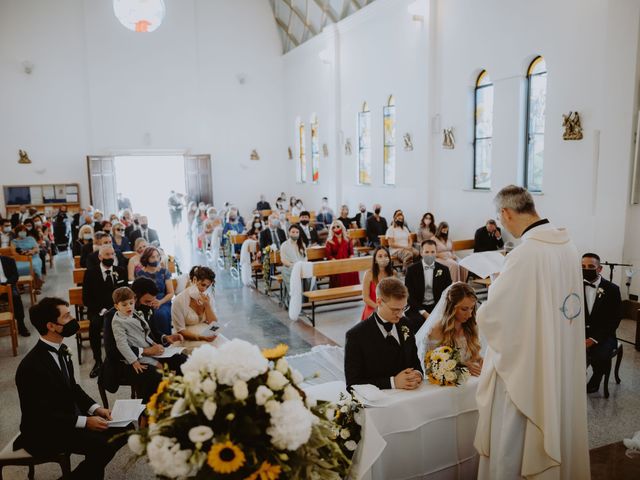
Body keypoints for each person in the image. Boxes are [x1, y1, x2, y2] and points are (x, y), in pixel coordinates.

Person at [474, 185, 589, 479]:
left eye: (500, 220)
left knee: (516, 434)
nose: (502, 226)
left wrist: (495, 287)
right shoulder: (567, 245)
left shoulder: (526, 253)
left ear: (506, 212)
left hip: (531, 364)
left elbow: (496, 315)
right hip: (560, 353)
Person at [15, 297, 127, 479]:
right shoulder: (31, 367)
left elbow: (72, 388)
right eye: (67, 317)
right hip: (44, 431)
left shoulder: (62, 350)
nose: (73, 319)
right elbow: (41, 414)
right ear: (51, 326)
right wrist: (85, 421)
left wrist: (95, 409)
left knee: (124, 429)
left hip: (67, 417)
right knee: (102, 445)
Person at [344, 277, 423, 390]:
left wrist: (418, 373)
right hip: (380, 401)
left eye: (403, 308)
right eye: (395, 309)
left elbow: (414, 361)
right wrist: (392, 382)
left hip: (410, 395)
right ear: (379, 302)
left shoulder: (407, 324)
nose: (400, 315)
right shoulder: (356, 336)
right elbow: (352, 383)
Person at [110, 287, 185, 402]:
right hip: (137, 356)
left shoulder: (135, 313)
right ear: (117, 306)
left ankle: (178, 392)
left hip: (148, 349)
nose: (129, 307)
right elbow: (122, 345)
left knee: (179, 360)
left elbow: (146, 333)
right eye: (124, 305)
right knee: (160, 369)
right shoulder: (118, 322)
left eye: (131, 303)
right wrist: (134, 361)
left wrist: (154, 343)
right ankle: (162, 398)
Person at [415, 282, 483, 375]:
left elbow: (475, 355)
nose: (470, 314)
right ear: (451, 308)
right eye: (464, 309)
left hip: (469, 380)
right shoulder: (437, 330)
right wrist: (463, 367)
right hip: (446, 383)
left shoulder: (471, 326)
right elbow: (430, 366)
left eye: (472, 308)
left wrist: (480, 360)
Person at [82, 245, 128, 378]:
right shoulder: (90, 273)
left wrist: (118, 308)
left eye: (112, 254)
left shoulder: (120, 271)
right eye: (107, 255)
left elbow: (125, 294)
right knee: (95, 325)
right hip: (98, 310)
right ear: (100, 257)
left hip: (118, 309)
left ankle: (120, 358)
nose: (111, 257)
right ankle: (98, 360)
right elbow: (86, 298)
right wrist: (101, 310)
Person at [582, 252, 623, 394]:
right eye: (583, 266)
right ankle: (575, 378)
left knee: (600, 354)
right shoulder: (574, 286)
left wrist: (593, 339)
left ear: (599, 269)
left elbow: (615, 319)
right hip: (580, 333)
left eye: (591, 266)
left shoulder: (612, 289)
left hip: (604, 335)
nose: (586, 269)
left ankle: (597, 377)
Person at [405, 240, 452, 333]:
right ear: (421, 253)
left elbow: (448, 292)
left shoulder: (444, 270)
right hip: (417, 306)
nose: (429, 255)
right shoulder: (411, 270)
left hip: (437, 306)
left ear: (436, 253)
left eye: (432, 252)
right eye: (426, 252)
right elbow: (408, 295)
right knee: (417, 321)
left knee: (446, 320)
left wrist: (439, 310)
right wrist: (424, 312)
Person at [171, 266, 220, 348]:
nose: (204, 289)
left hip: (204, 332)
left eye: (207, 286)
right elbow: (180, 331)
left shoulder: (207, 298)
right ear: (194, 280)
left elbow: (214, 324)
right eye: (203, 285)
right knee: (205, 348)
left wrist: (207, 306)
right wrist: (201, 337)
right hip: (187, 337)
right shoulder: (179, 301)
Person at [134, 246, 174, 338]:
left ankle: (165, 340)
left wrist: (160, 302)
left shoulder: (164, 272)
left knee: (161, 314)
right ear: (146, 259)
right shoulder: (140, 273)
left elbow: (171, 293)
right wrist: (148, 302)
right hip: (146, 301)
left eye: (157, 256)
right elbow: (139, 293)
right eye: (152, 257)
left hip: (163, 300)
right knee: (148, 314)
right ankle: (151, 340)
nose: (156, 259)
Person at [361, 246, 396, 320]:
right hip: (373, 307)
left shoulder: (393, 273)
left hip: (389, 307)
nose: (383, 258)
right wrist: (379, 308)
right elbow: (365, 298)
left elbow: (395, 294)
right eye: (380, 256)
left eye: (386, 256)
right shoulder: (369, 274)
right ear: (375, 260)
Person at [0, 254, 29, 336]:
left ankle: (21, 325)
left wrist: (6, 284)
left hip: (7, 285)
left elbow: (15, 276)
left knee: (16, 298)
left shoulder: (9, 260)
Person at [325, 220, 360, 288]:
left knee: (353, 269)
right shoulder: (329, 241)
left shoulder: (348, 239)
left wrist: (349, 261)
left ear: (342, 227)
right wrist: (337, 262)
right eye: (333, 227)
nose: (336, 229)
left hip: (347, 261)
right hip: (335, 262)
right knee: (339, 271)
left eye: (338, 226)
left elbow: (351, 253)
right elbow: (329, 255)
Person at [11, 224, 44, 290]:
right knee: (16, 267)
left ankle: (36, 285)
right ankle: (20, 285)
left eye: (24, 231)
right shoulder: (14, 241)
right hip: (20, 259)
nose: (23, 232)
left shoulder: (31, 238)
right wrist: (23, 254)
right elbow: (14, 253)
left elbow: (36, 248)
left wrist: (32, 251)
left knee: (34, 265)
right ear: (17, 232)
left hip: (33, 257)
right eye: (21, 231)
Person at [280, 224, 307, 300]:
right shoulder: (284, 245)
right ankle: (295, 299)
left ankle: (306, 298)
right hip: (289, 268)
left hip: (301, 267)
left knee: (311, 276)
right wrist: (295, 266)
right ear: (289, 233)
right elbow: (283, 260)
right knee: (294, 279)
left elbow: (305, 258)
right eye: (293, 232)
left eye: (297, 232)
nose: (295, 234)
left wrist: (302, 266)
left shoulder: (302, 244)